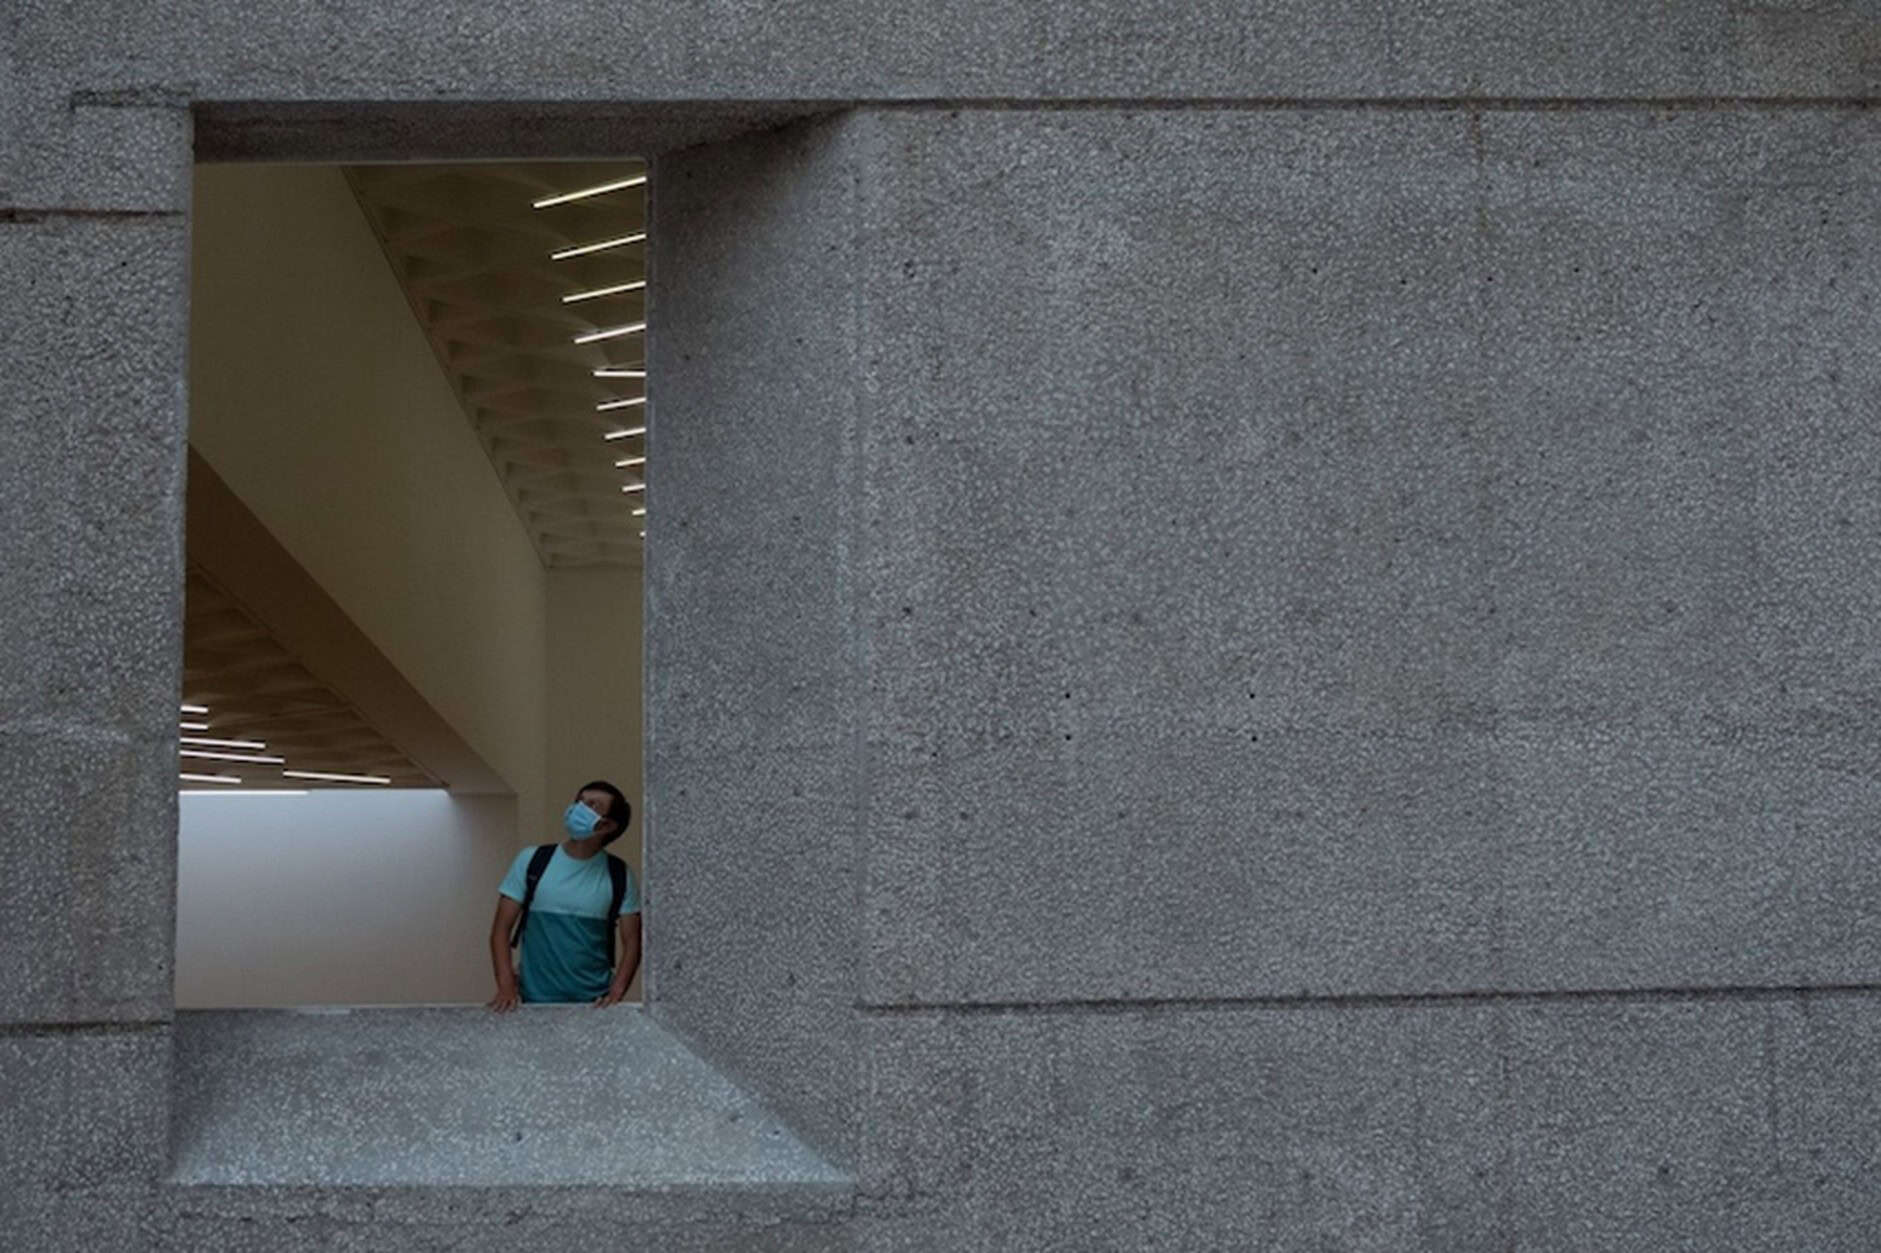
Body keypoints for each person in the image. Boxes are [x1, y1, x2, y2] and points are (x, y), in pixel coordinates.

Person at [486, 780, 641, 1010]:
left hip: (593, 1008)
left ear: (607, 826)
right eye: (579, 800)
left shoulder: (619, 874)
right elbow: (500, 930)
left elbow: (633, 942)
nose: (579, 808)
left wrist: (616, 994)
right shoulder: (532, 861)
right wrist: (506, 985)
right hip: (533, 1003)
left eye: (592, 805)